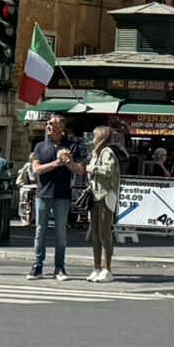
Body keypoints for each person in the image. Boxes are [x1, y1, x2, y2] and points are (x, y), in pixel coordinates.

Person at [30, 116, 80, 281]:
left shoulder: (71, 146)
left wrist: (68, 162)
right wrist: (57, 163)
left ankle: (59, 267)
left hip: (62, 195)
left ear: (61, 127)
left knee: (60, 233)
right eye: (48, 123)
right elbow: (36, 169)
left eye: (51, 123)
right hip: (43, 194)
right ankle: (37, 265)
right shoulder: (40, 146)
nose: (48, 126)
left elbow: (80, 170)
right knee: (40, 231)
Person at [86, 124, 123, 283]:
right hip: (96, 194)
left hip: (106, 194)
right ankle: (97, 267)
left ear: (100, 137)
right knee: (95, 233)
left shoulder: (107, 152)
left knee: (103, 233)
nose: (92, 139)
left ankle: (107, 269)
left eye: (94, 135)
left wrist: (91, 168)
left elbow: (108, 170)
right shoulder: (96, 153)